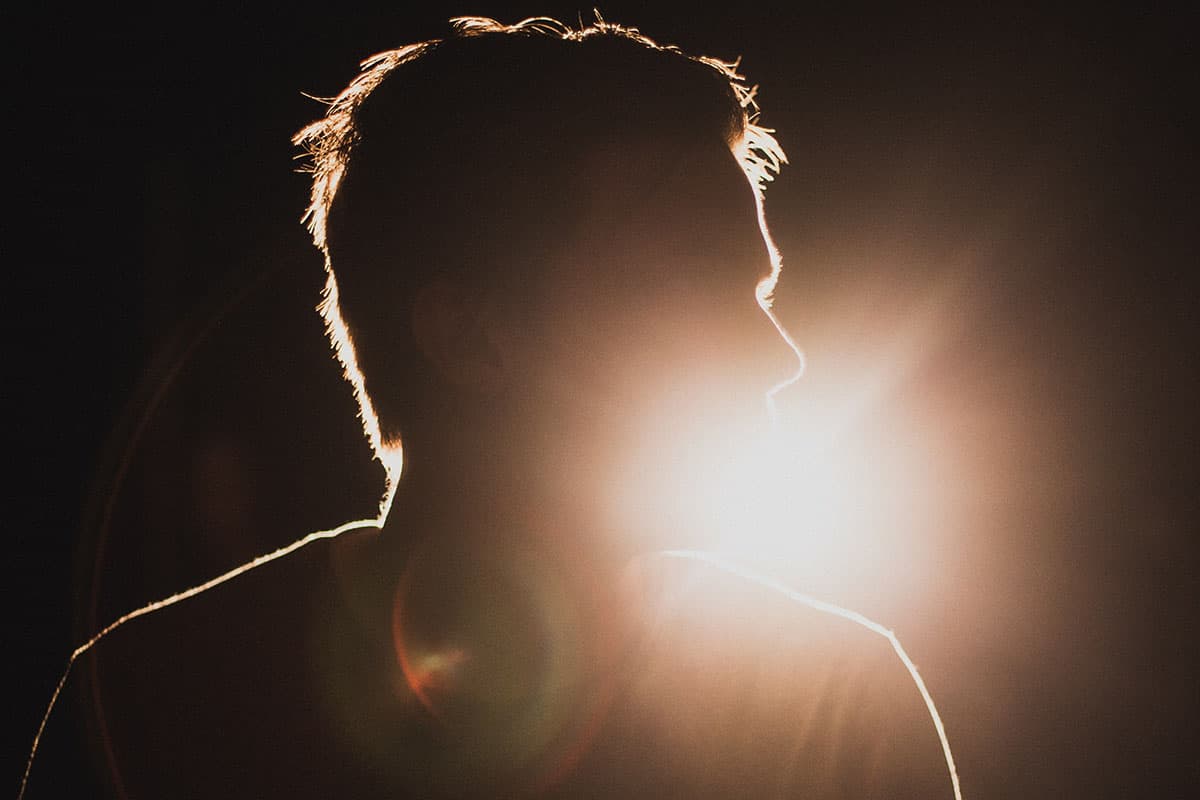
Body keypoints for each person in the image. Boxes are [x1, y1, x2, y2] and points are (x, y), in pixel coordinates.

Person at [26, 15, 957, 799]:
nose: (779, 355)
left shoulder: (840, 706)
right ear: (472, 338)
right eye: (698, 289)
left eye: (756, 296)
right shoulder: (160, 702)